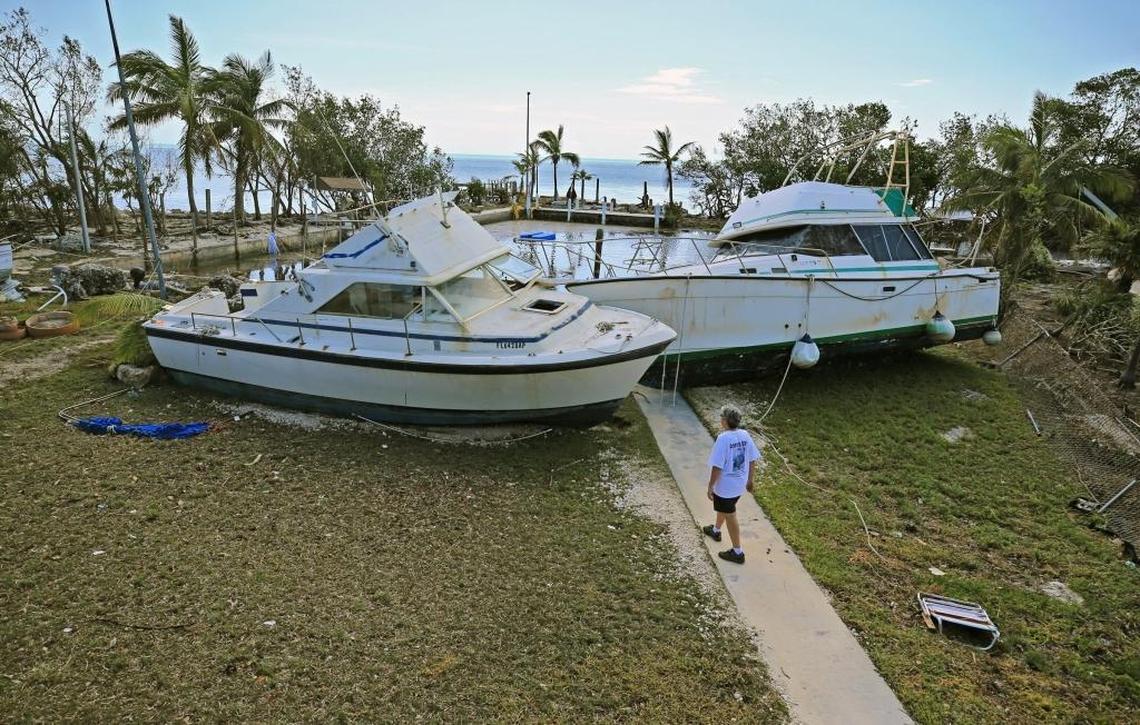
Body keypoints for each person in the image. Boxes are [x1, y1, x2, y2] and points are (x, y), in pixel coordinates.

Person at [703, 404, 762, 564]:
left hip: (725, 487)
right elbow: (752, 459)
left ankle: (737, 552)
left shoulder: (723, 439)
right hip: (739, 484)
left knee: (730, 515)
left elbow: (717, 466)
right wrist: (750, 480)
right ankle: (716, 530)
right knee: (726, 507)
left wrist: (710, 486)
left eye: (721, 417)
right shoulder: (745, 434)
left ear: (725, 421)